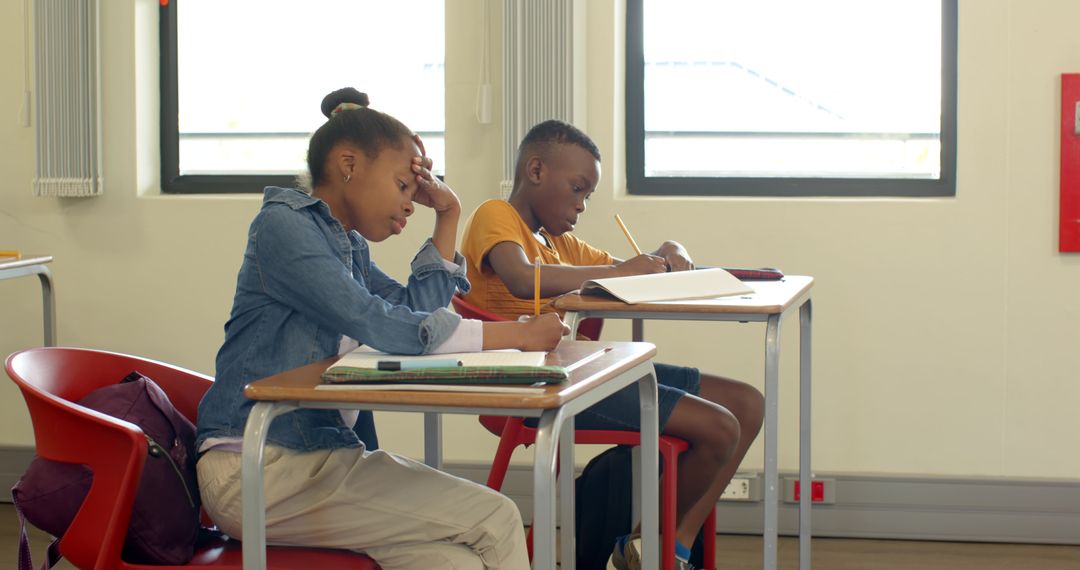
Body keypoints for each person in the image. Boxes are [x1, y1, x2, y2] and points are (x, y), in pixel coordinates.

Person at [195, 88, 568, 570]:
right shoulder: (283, 227)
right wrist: (516, 335)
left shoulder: (347, 245)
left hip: (319, 460)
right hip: (257, 468)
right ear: (349, 164)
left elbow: (413, 310)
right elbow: (383, 324)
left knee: (451, 562)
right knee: (496, 517)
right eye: (402, 185)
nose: (410, 204)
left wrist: (448, 214)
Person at [460, 119, 765, 570]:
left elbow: (636, 271)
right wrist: (622, 273)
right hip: (535, 387)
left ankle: (663, 547)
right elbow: (522, 279)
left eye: (588, 195)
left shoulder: (560, 244)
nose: (581, 205)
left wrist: (670, 250)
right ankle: (655, 549)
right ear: (536, 170)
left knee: (746, 404)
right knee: (719, 427)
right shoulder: (495, 215)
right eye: (577, 189)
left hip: (584, 372)